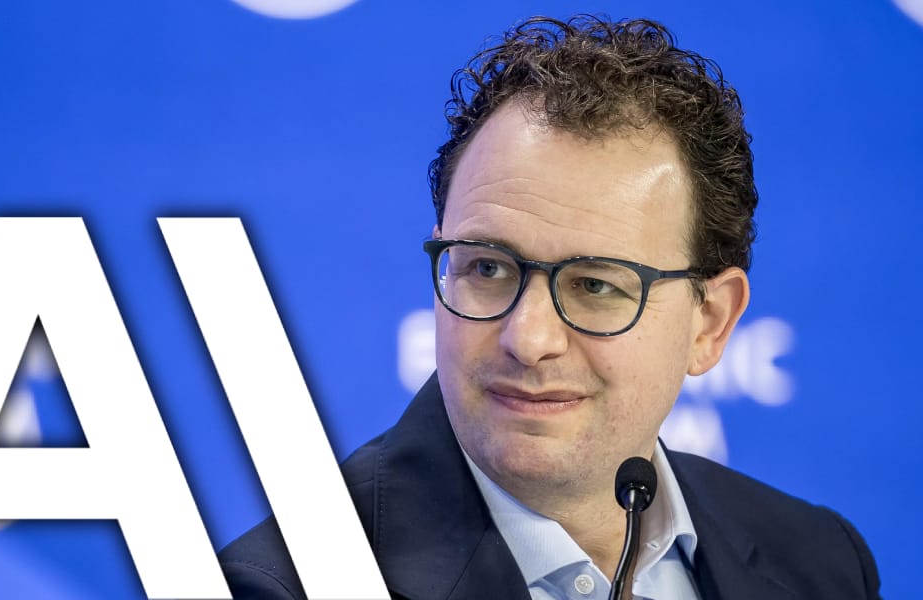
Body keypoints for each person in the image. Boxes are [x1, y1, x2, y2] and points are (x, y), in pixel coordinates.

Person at [219, 15, 881, 600]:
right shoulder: (285, 584)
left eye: (595, 285)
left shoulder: (820, 562)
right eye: (487, 268)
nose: (529, 338)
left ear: (710, 323)